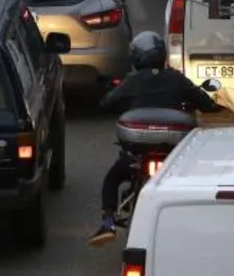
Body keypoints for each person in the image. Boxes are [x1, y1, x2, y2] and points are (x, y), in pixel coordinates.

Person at [88, 31, 223, 246]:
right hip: (171, 153)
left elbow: (107, 103)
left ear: (137, 57)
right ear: (162, 55)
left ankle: (108, 222)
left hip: (137, 151)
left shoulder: (132, 80)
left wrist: (112, 94)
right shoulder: (176, 78)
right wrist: (211, 105)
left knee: (113, 178)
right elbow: (206, 104)